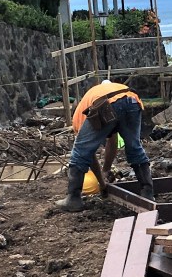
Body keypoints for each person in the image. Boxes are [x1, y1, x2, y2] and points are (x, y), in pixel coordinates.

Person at [56, 80, 154, 212]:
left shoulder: (79, 117)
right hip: (132, 100)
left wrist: (101, 182)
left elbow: (87, 153)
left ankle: (73, 199)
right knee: (134, 146)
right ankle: (147, 193)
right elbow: (112, 143)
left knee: (79, 151)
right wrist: (105, 172)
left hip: (106, 103)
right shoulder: (102, 91)